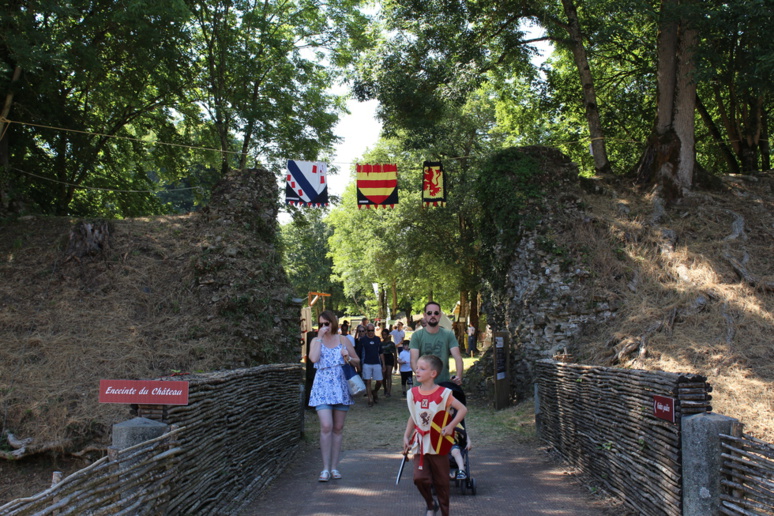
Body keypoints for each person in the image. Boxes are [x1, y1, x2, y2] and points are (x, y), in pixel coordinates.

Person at [404, 355, 467, 516]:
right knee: (419, 478)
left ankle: (445, 511)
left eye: (422, 368)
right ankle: (431, 504)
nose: (417, 371)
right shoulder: (412, 393)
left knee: (442, 483)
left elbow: (462, 410)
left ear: (433, 373)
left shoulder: (444, 393)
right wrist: (406, 435)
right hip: (420, 443)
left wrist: (450, 426)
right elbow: (414, 415)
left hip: (439, 443)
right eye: (417, 368)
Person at [307, 310, 361, 482]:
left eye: (327, 323)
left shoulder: (343, 340)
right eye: (321, 324)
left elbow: (357, 360)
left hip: (340, 386)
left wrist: (348, 357)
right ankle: (324, 468)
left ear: (333, 323)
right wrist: (319, 338)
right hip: (322, 387)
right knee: (326, 426)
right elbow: (313, 359)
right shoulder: (316, 341)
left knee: (338, 428)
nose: (324, 327)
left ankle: (334, 467)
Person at [410, 302, 464, 386]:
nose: (432, 315)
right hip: (422, 386)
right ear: (425, 315)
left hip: (443, 384)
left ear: (440, 315)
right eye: (429, 313)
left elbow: (457, 357)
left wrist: (459, 376)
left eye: (436, 313)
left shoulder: (448, 334)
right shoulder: (417, 335)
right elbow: (413, 360)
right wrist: (421, 376)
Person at [357, 323, 384, 407]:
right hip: (366, 363)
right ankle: (370, 398)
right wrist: (358, 365)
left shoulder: (377, 339)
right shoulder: (363, 340)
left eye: (372, 330)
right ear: (366, 331)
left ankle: (375, 391)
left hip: (376, 362)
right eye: (369, 330)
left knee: (379, 381)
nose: (371, 332)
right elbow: (358, 353)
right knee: (368, 381)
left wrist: (384, 364)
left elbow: (381, 353)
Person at [379, 330, 397, 397]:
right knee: (383, 376)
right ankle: (385, 389)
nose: (384, 336)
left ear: (388, 335)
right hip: (383, 358)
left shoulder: (391, 343)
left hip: (389, 358)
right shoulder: (380, 343)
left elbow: (394, 353)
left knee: (388, 375)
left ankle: (388, 391)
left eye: (385, 334)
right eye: (383, 334)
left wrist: (395, 363)